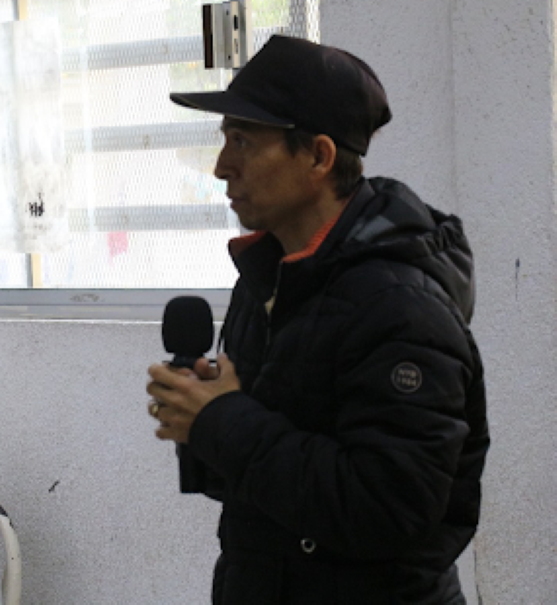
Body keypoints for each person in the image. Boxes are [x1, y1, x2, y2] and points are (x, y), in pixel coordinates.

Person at [146, 35, 489, 604]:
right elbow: (273, 481)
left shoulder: (401, 309)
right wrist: (202, 419)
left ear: (319, 157)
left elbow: (388, 510)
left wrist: (226, 420)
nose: (221, 167)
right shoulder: (271, 278)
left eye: (243, 141)